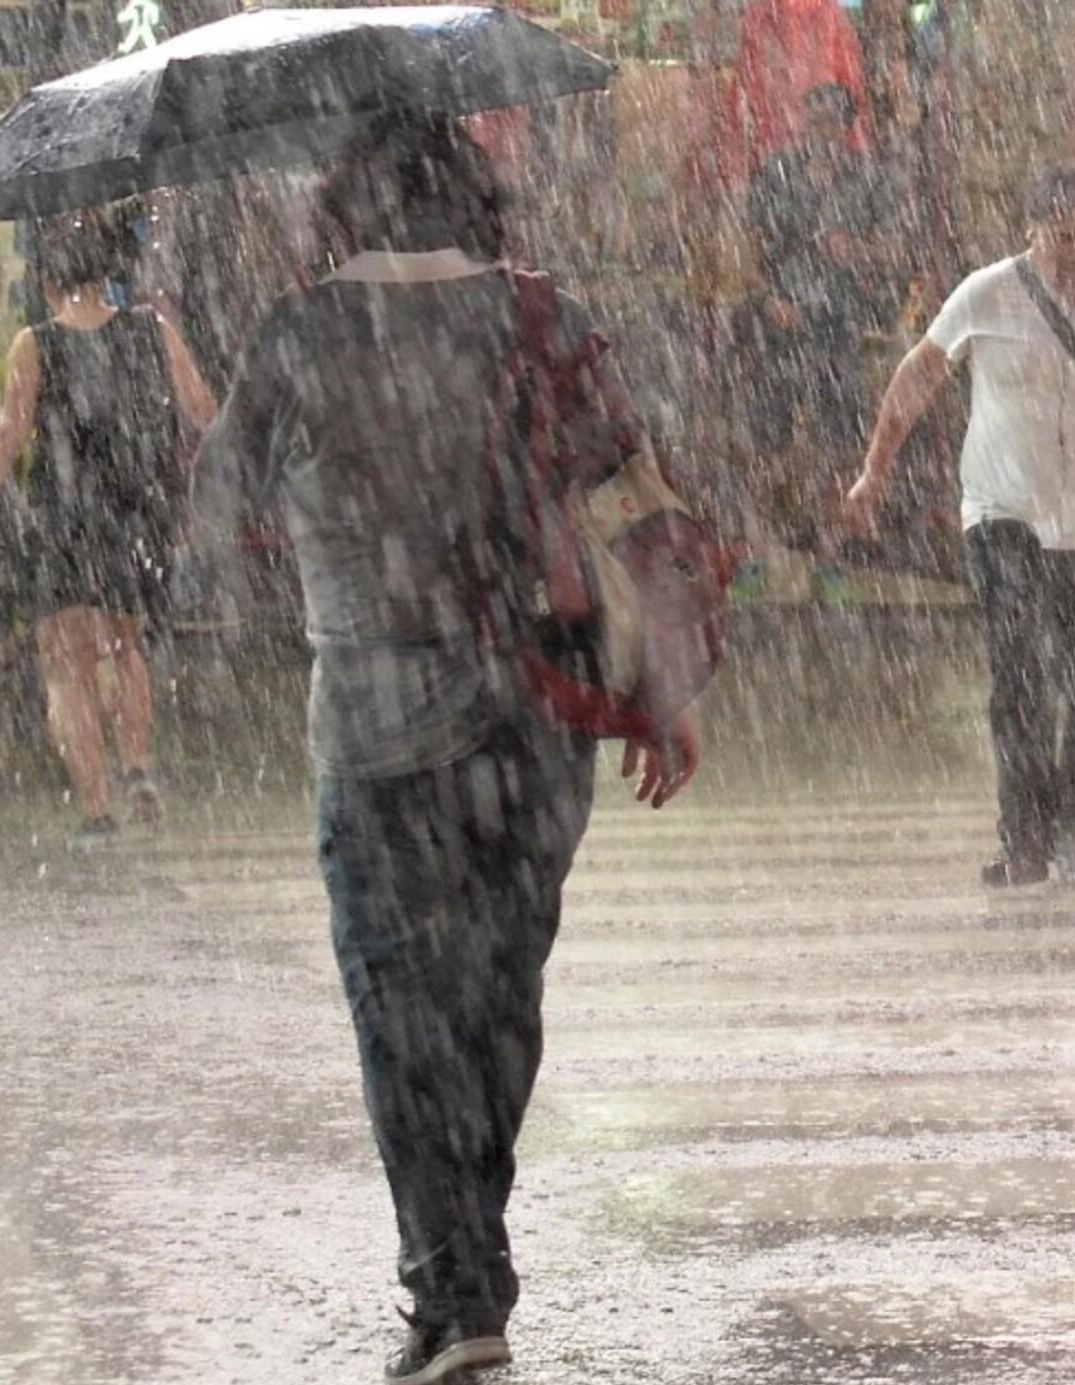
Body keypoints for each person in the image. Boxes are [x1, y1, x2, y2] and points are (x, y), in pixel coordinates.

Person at [183, 115, 703, 1385]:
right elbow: (639, 500)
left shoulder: (300, 330)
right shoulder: (543, 315)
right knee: (495, 997)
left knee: (400, 1009)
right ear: (477, 199)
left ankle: (454, 1286)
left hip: (376, 723)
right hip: (542, 712)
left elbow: (211, 511)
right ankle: (474, 1256)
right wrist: (671, 685)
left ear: (342, 210)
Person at [843, 165, 1075, 889]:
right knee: (1017, 675)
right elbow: (921, 373)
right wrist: (875, 469)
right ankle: (1023, 839)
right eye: (1054, 235)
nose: (1068, 251)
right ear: (1030, 231)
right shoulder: (989, 291)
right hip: (1002, 511)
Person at [0, 211, 217, 846]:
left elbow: (6, 442)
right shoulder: (156, 331)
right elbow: (205, 413)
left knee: (67, 670)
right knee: (127, 648)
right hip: (140, 513)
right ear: (107, 276)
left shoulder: (35, 343)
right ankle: (139, 766)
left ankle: (97, 811)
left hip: (68, 518)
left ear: (48, 285)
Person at [745, 82, 893, 608]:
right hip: (780, 325)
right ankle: (759, 551)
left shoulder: (869, 179)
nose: (817, 134)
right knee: (767, 443)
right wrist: (767, 300)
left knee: (836, 446)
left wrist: (853, 248)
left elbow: (890, 248)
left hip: (838, 326)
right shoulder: (775, 175)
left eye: (828, 124)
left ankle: (831, 557)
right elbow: (752, 250)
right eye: (810, 123)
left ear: (846, 127)